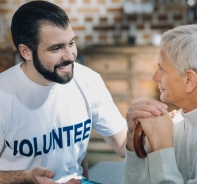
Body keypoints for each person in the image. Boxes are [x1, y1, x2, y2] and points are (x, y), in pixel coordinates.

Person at [0, 1, 127, 184]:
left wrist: (150, 127)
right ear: (26, 51)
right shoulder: (3, 95)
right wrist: (26, 177)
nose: (70, 56)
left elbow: (123, 145)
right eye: (56, 48)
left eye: (71, 43)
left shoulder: (88, 80)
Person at [125, 24, 197, 184]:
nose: (155, 77)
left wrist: (162, 146)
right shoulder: (176, 123)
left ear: (188, 80)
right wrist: (133, 140)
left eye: (162, 69)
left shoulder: (168, 131)